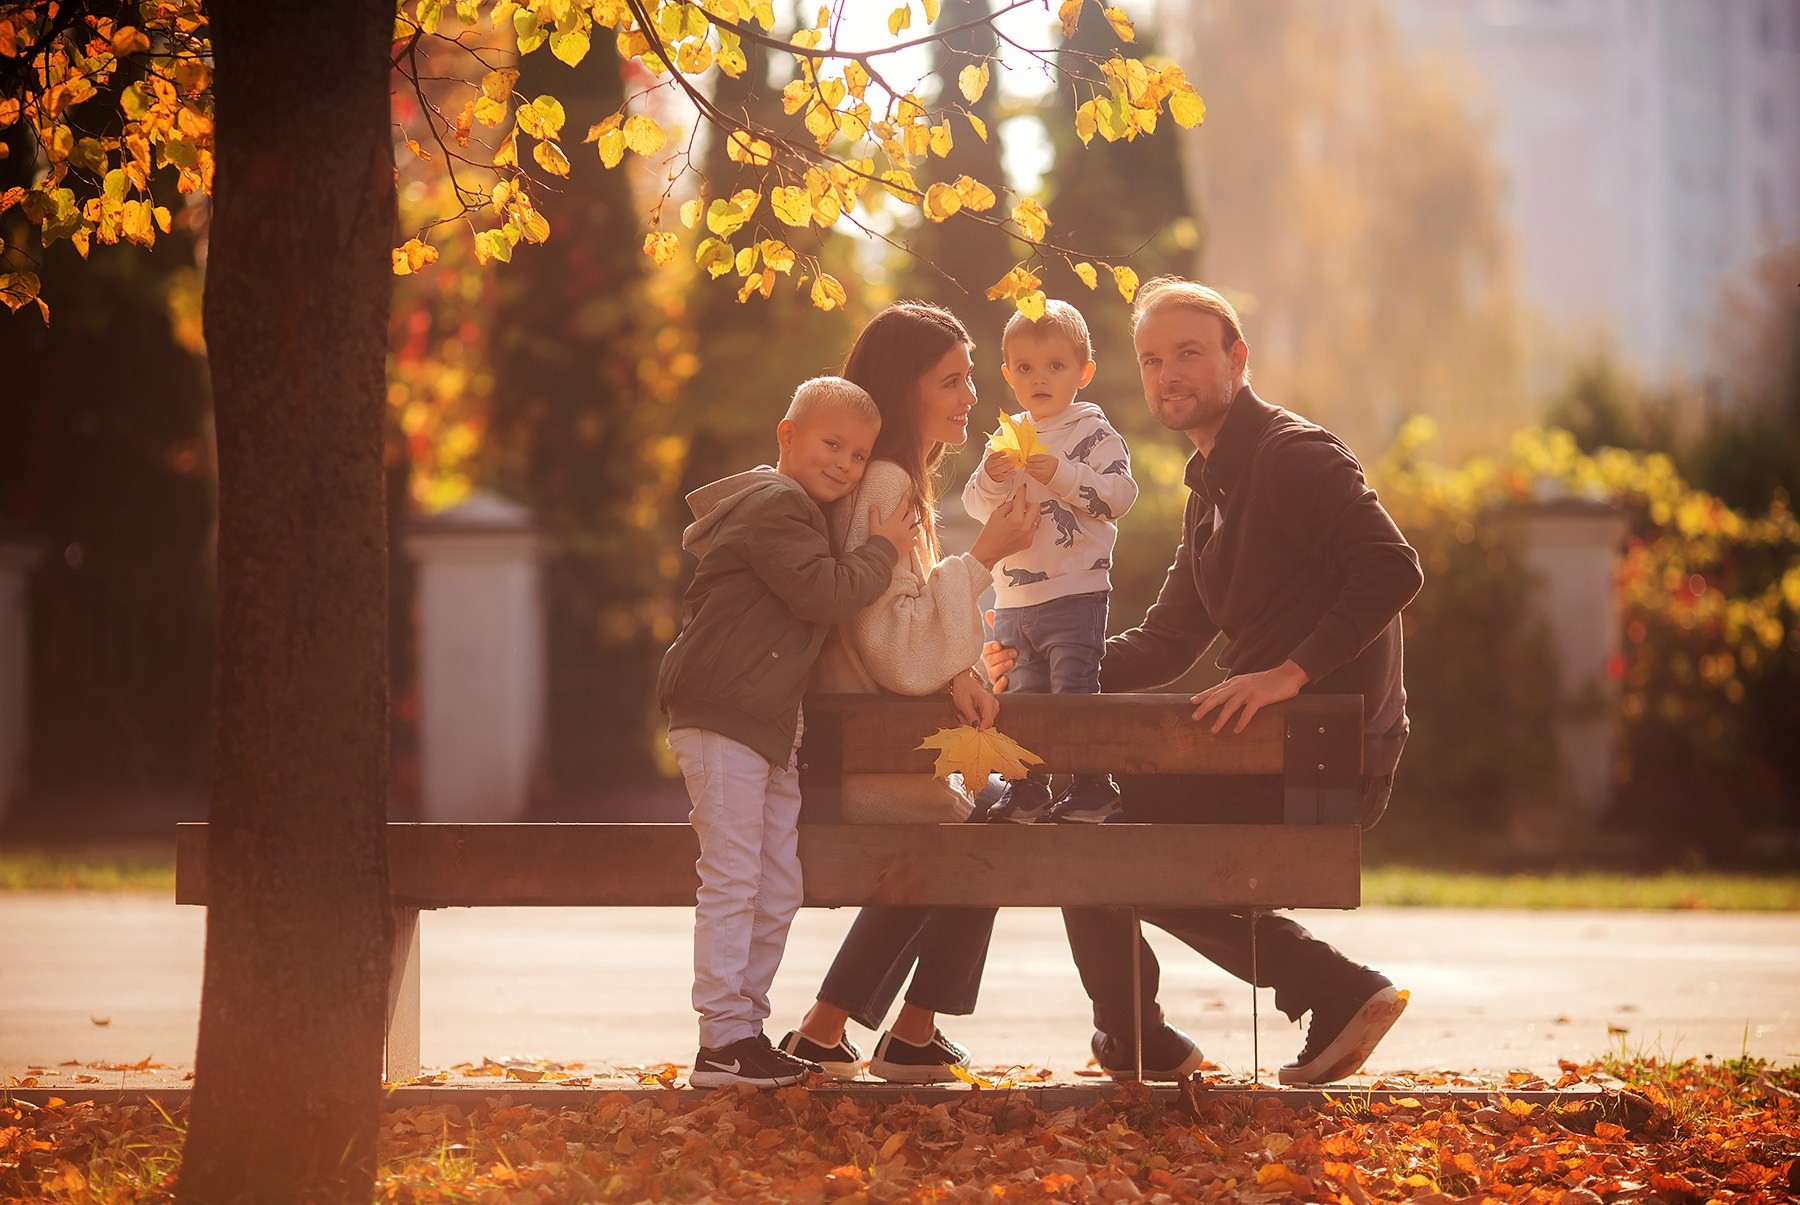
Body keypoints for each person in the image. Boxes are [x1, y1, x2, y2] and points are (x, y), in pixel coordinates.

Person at [984, 277, 1423, 1085]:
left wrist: (1289, 674)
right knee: (1084, 825)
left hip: (1323, 750)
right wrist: (1044, 673)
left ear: (1237, 359)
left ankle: (1320, 987)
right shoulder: (1210, 487)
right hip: (1267, 746)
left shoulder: (1291, 456)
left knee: (1092, 831)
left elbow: (1391, 568)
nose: (1168, 375)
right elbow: (1167, 639)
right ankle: (1143, 1031)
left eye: (1188, 353)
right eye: (1153, 360)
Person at [775, 302, 1039, 1083]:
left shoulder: (895, 481)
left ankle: (852, 1031)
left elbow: (896, 620)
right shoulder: (886, 480)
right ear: (905, 388)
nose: (969, 397)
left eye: (970, 379)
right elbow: (892, 642)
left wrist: (959, 668)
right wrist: (986, 554)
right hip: (868, 767)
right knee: (992, 823)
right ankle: (894, 1030)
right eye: (950, 380)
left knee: (982, 819)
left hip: (868, 749)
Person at [658, 376, 922, 1089]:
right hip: (722, 717)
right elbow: (825, 592)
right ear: (788, 436)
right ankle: (720, 1038)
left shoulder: (799, 510)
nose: (844, 462)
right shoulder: (776, 505)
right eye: (831, 443)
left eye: (859, 453)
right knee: (735, 875)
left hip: (769, 726)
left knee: (777, 883)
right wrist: (885, 548)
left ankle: (744, 1027)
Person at [963, 299, 1138, 824]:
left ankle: (1091, 786)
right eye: (1025, 368)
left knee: (1074, 690)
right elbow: (975, 506)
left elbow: (1118, 497)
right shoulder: (1007, 436)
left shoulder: (1093, 432)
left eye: (1056, 367)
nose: (1040, 378)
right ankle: (1028, 788)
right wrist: (993, 479)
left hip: (1074, 589)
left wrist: (1060, 473)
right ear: (1008, 375)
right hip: (1014, 595)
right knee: (1022, 696)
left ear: (1084, 372)